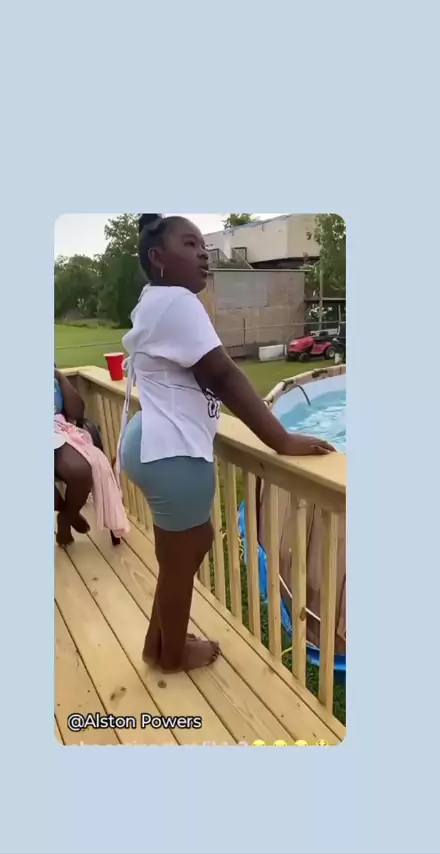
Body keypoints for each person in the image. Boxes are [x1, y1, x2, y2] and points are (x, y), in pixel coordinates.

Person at [118, 213, 335, 674]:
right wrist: (281, 438)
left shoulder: (155, 300)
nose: (203, 253)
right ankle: (172, 656)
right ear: (158, 257)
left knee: (184, 550)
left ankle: (159, 643)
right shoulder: (178, 303)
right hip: (172, 451)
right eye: (188, 244)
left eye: (203, 244)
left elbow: (199, 373)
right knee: (183, 556)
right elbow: (223, 375)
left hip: (153, 439)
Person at [54, 367, 129, 547]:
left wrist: (60, 378)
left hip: (57, 431)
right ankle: (68, 514)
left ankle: (66, 517)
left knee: (81, 471)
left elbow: (77, 413)